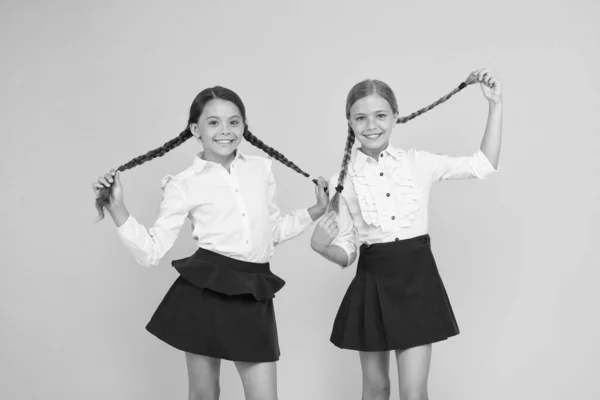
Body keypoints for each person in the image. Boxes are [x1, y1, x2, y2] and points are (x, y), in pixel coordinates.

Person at [92, 86, 329, 400]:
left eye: (234, 122)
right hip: (205, 290)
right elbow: (151, 252)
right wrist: (117, 208)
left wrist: (316, 211)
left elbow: (268, 232)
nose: (225, 131)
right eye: (213, 122)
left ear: (244, 126)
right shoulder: (184, 184)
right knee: (204, 394)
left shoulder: (260, 170)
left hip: (253, 288)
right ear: (196, 129)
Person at [310, 69, 502, 400]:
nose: (371, 125)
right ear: (350, 122)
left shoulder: (419, 163)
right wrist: (321, 247)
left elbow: (483, 165)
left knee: (413, 392)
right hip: (373, 284)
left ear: (395, 117)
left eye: (381, 115)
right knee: (376, 388)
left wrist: (495, 105)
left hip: (417, 281)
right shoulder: (343, 180)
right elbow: (347, 250)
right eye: (361, 118)